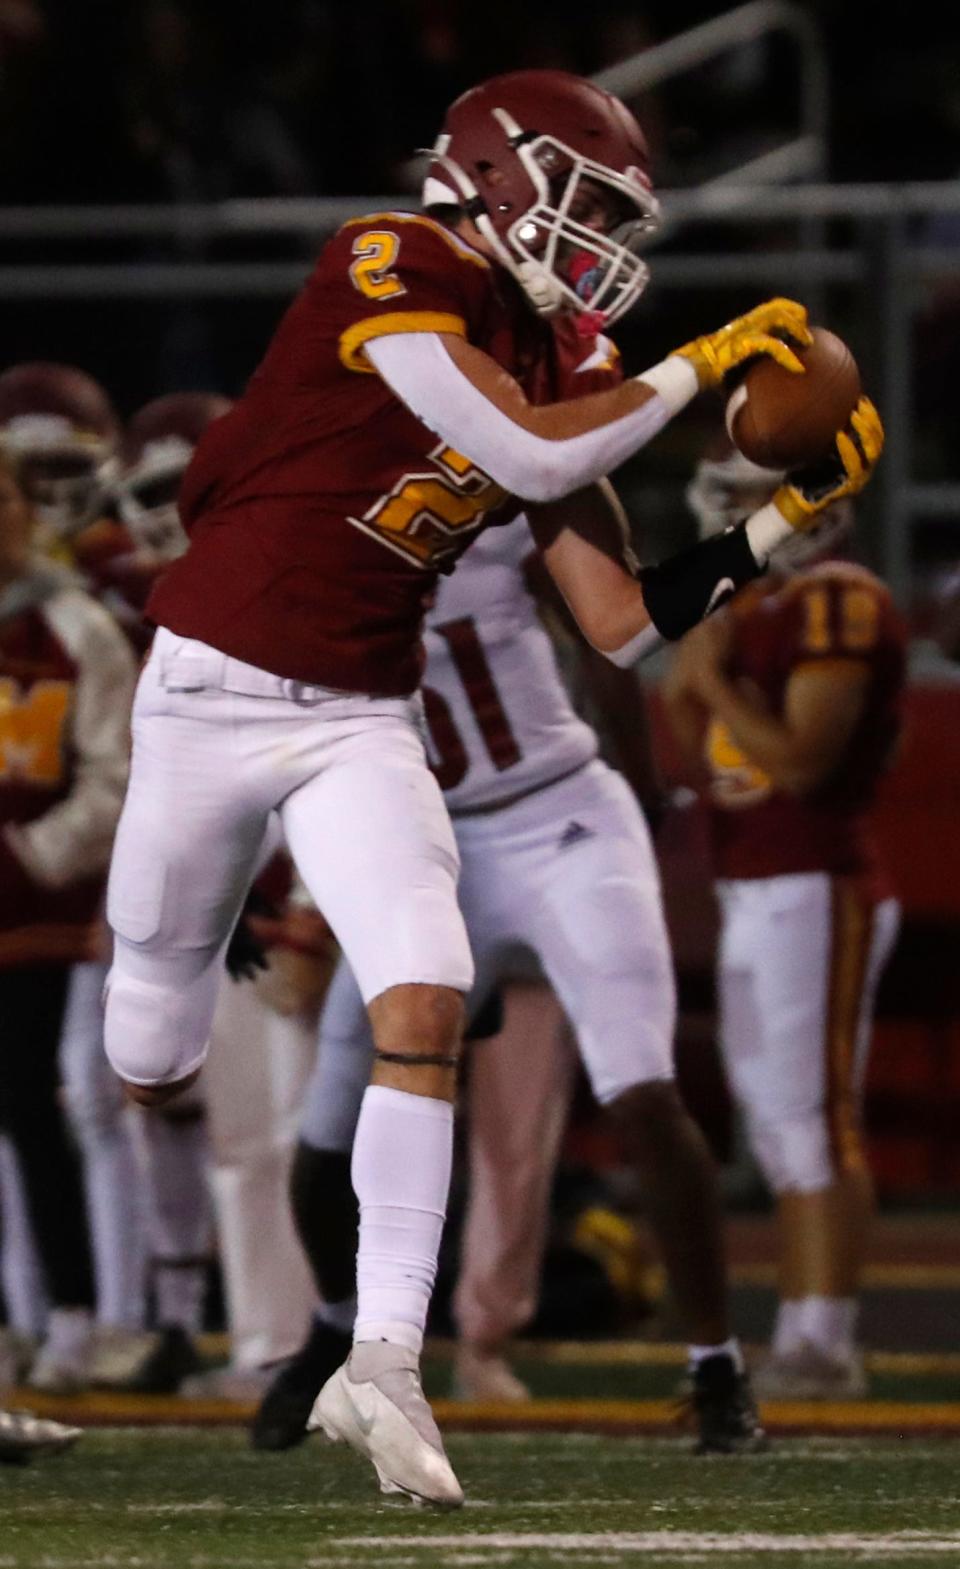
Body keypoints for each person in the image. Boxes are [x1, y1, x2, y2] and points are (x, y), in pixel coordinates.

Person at [101, 69, 881, 1505]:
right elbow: (519, 447)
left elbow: (622, 625)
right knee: (147, 1044)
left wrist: (778, 519)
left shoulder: (563, 359)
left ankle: (382, 1360)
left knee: (428, 987)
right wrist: (705, 365)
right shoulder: (391, 255)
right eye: (586, 204)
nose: (599, 243)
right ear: (495, 172)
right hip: (205, 696)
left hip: (359, 717)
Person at [251, 508, 752, 1448]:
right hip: (426, 839)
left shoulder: (501, 500)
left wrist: (639, 786)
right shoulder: (310, 547)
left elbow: (609, 636)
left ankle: (717, 1364)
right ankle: (330, 1331)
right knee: (326, 1119)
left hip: (559, 811)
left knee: (641, 1088)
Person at [662, 444, 905, 1398]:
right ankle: (804, 1333)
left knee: (814, 1119)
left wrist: (715, 681)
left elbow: (801, 763)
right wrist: (702, 676)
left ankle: (823, 1338)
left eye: (744, 497)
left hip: (818, 876)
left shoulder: (839, 598)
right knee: (774, 1119)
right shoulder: (755, 604)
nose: (727, 513)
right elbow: (705, 754)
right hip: (753, 878)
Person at [0, 447, 137, 1390]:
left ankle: (74, 1317)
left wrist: (29, 856)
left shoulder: (76, 626)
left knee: (35, 1107)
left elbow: (114, 775)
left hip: (34, 915)